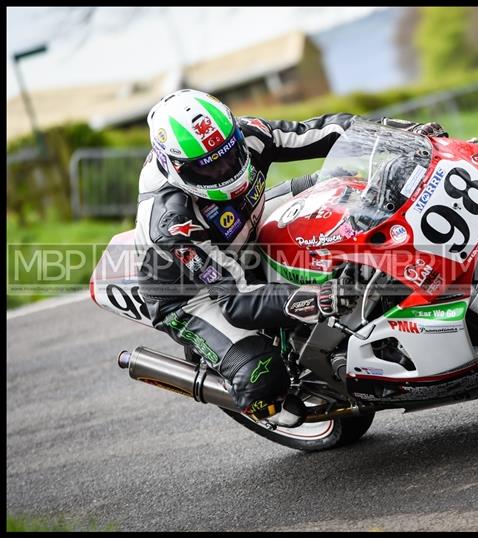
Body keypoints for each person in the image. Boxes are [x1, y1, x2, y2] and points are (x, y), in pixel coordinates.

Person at [135, 88, 445, 427]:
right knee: (261, 375)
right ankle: (260, 397)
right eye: (208, 170)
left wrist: (400, 133)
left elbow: (325, 131)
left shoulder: (250, 133)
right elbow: (235, 301)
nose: (226, 169)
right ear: (174, 167)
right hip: (191, 291)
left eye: (230, 155)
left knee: (341, 182)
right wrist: (318, 299)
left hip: (245, 217)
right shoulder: (172, 223)